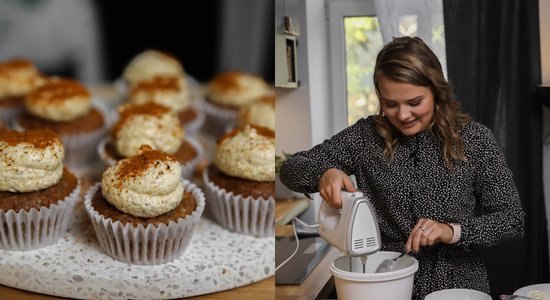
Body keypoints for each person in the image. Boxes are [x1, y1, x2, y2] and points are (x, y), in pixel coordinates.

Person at [279, 36, 525, 299]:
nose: (403, 115)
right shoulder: (365, 137)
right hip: (382, 281)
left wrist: (450, 231)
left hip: (456, 284)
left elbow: (511, 220)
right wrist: (324, 173)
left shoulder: (474, 140)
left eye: (415, 102)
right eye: (391, 104)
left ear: (436, 91)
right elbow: (291, 167)